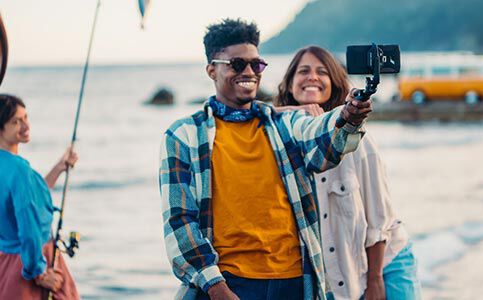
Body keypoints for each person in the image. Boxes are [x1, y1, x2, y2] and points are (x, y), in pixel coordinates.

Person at [158, 19, 373, 300]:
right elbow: (180, 221)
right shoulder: (183, 135)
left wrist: (347, 117)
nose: (249, 72)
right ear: (212, 69)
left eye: (256, 64)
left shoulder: (285, 122)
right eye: (237, 64)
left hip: (297, 281)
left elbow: (322, 141)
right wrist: (216, 287)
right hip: (229, 283)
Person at [274, 46, 421, 300]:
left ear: (334, 84)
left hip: (386, 260)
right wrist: (291, 112)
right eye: (303, 71)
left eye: (322, 72)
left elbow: (379, 218)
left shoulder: (357, 140)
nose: (312, 77)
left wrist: (375, 282)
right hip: (340, 269)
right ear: (289, 85)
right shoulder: (278, 139)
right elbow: (246, 114)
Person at [0, 94, 80, 300]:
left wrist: (59, 168)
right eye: (15, 122)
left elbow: (29, 199)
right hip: (31, 259)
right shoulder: (19, 170)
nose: (25, 125)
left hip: (1, 258)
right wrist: (38, 272)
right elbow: (28, 227)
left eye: (25, 117)